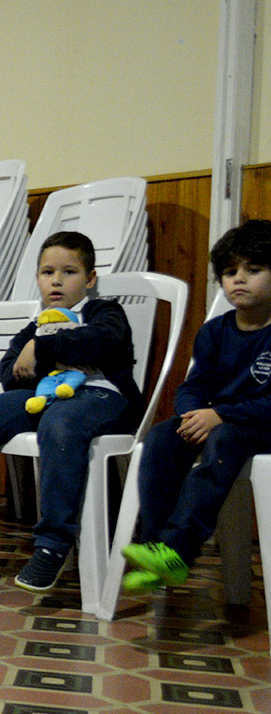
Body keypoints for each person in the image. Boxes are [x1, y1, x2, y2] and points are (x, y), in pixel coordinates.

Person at [0, 231, 141, 592]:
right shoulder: (37, 322)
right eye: (47, 272)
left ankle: (53, 544)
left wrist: (41, 348)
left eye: (69, 272)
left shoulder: (102, 311)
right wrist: (36, 354)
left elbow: (103, 341)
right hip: (43, 397)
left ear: (90, 279)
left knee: (60, 424)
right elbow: (11, 372)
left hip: (102, 397)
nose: (56, 280)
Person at [120, 219, 271, 595]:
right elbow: (193, 386)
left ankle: (178, 550)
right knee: (159, 439)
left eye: (253, 270)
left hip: (257, 426)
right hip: (218, 422)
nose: (239, 279)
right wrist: (191, 415)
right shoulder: (215, 331)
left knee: (222, 443)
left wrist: (221, 415)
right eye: (230, 271)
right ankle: (157, 546)